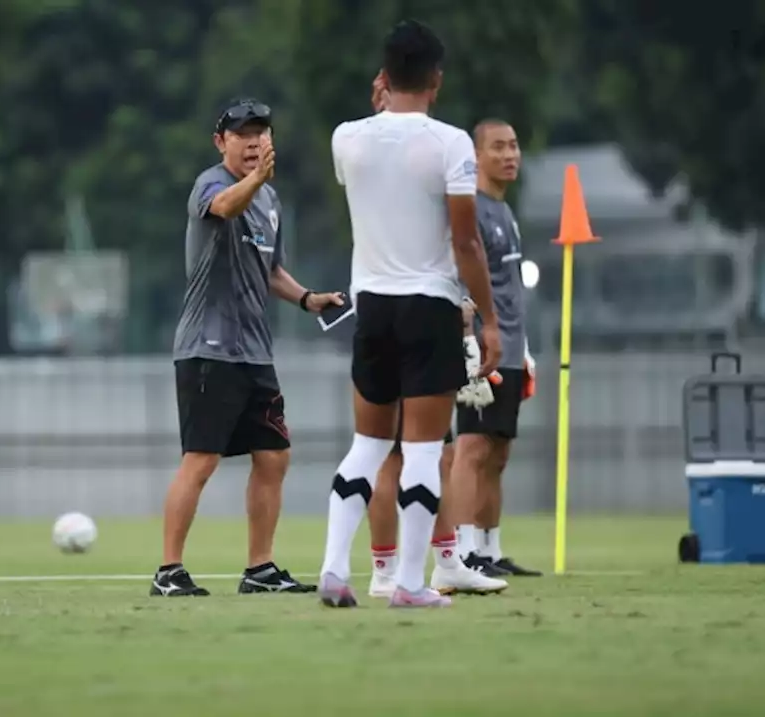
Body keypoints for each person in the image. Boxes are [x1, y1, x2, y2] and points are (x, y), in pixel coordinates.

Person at [318, 20, 501, 609]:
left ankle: (333, 570)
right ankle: (410, 584)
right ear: (437, 80)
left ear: (382, 77)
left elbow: (370, 168)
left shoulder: (346, 137)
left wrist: (379, 112)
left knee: (367, 447)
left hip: (370, 305)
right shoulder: (451, 144)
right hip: (428, 305)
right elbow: (466, 241)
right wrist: (489, 319)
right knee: (423, 453)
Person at [152, 98, 345, 598]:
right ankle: (168, 571)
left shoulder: (270, 201)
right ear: (222, 142)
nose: (254, 141)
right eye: (243, 134)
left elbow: (271, 271)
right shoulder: (212, 183)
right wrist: (256, 181)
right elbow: (222, 207)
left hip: (255, 352)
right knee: (202, 459)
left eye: (262, 132)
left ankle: (259, 569)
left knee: (274, 456)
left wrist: (307, 299)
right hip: (207, 348)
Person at [361, 70, 508, 599]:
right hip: (409, 313)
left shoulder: (378, 149)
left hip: (404, 310)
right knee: (401, 453)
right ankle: (391, 572)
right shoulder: (430, 147)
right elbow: (459, 243)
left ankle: (439, 561)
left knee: (425, 452)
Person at [450, 118, 542, 578]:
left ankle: (489, 547)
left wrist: (524, 351)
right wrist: (469, 338)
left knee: (498, 451)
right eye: (499, 147)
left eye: (514, 145)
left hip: (510, 349)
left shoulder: (504, 211)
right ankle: (462, 551)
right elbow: (458, 275)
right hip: (482, 350)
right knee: (472, 446)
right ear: (477, 155)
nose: (510, 155)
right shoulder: (473, 211)